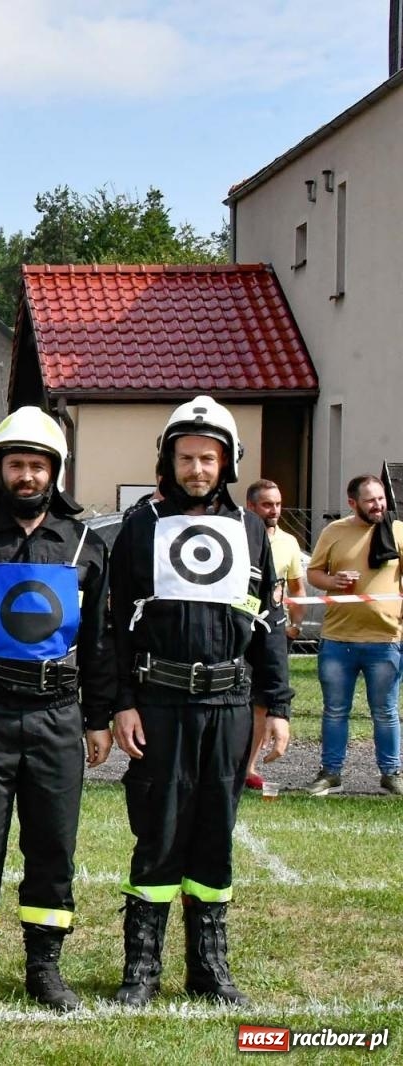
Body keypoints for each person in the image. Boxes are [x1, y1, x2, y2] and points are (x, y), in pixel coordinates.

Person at [0, 407, 115, 1012]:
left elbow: (102, 638)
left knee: (53, 842)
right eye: (16, 464)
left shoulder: (87, 542)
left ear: (54, 472)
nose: (27, 475)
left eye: (38, 465)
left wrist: (98, 717)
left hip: (58, 710)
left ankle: (45, 965)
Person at [108, 396, 292, 1007]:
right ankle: (142, 968)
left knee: (215, 832)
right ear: (169, 459)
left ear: (227, 462)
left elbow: (268, 622)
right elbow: (116, 624)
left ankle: (208, 966)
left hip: (228, 706)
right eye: (186, 457)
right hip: (158, 703)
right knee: (156, 832)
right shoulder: (139, 526)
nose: (196, 469)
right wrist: (123, 702)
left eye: (208, 459)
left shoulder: (251, 530)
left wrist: (279, 705)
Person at [303, 474, 403, 796]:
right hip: (338, 640)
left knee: (385, 712)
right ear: (352, 503)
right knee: (334, 710)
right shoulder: (335, 531)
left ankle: (391, 773)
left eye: (381, 499)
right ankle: (331, 773)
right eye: (371, 500)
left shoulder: (398, 530)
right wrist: (333, 582)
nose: (379, 505)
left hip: (386, 641)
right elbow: (314, 573)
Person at [243, 479, 307, 790]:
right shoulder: (239, 538)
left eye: (278, 504)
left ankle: (248, 767)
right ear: (251, 506)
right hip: (240, 633)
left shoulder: (290, 543)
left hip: (273, 634)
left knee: (262, 703)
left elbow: (295, 587)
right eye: (268, 504)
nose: (275, 510)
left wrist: (294, 625)